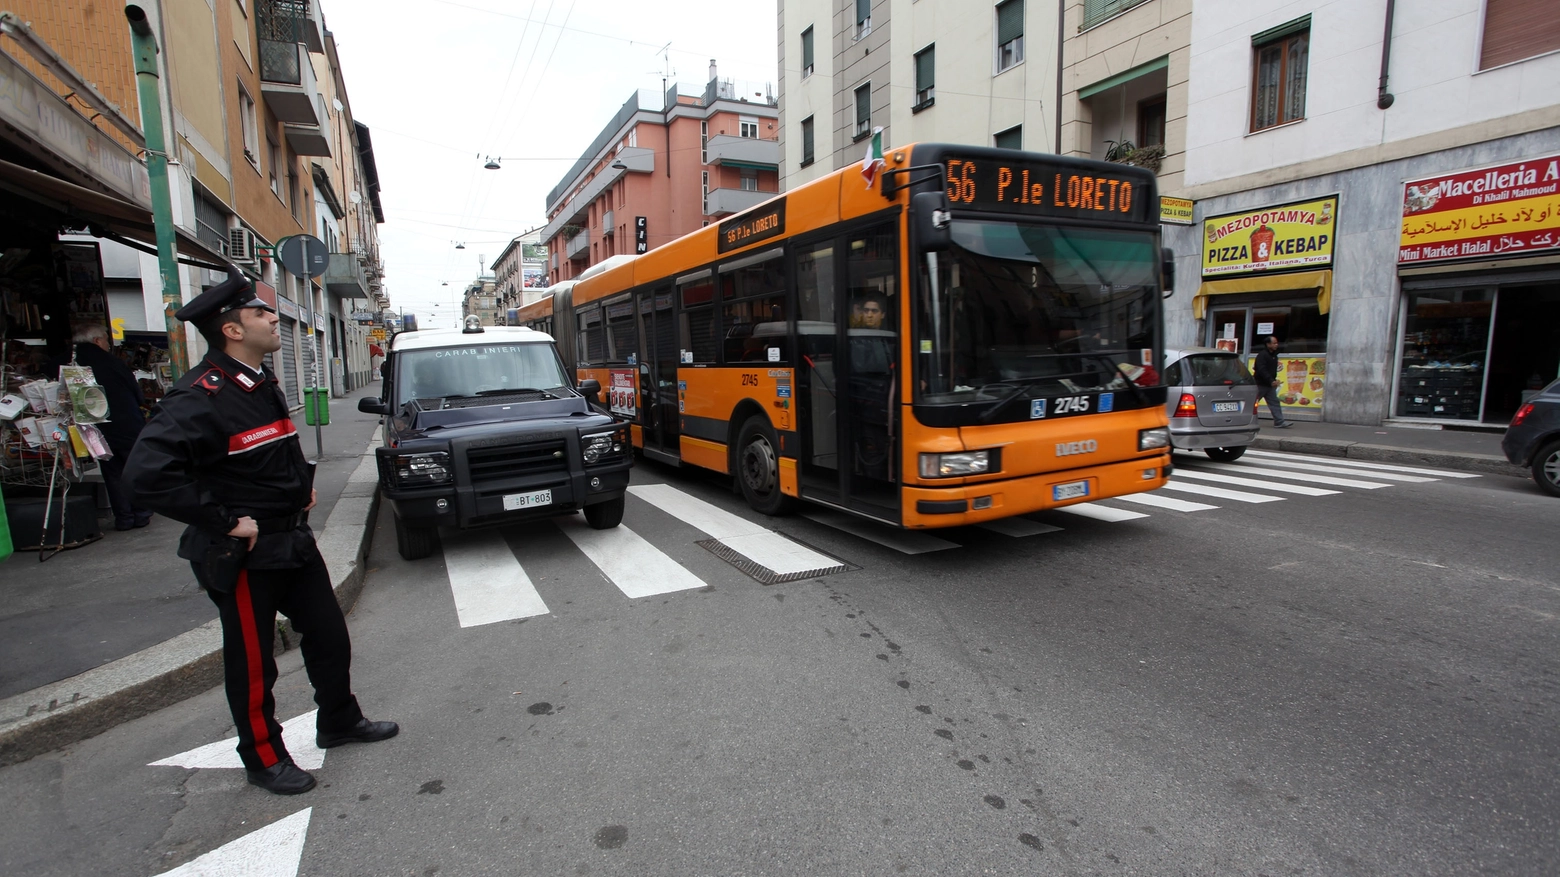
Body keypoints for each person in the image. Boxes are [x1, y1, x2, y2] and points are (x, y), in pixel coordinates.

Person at [125, 266, 397, 796]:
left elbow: (269, 447)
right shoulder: (197, 396)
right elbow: (145, 476)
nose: (274, 319)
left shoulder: (260, 381)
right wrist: (224, 520)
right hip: (244, 551)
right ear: (231, 329)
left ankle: (338, 722)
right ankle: (262, 756)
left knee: (329, 637)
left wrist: (302, 487)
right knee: (252, 665)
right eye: (261, 312)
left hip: (292, 538)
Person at [68, 324, 151, 530]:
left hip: (94, 428)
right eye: (106, 339)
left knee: (111, 471)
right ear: (97, 341)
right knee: (133, 468)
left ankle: (123, 517)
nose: (108, 343)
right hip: (126, 424)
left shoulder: (69, 363)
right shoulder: (112, 362)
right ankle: (140, 513)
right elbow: (137, 394)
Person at [1253, 335, 1292, 428]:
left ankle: (1279, 422)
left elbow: (1271, 371)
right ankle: (1246, 421)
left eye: (1276, 343)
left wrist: (1274, 381)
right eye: (1274, 343)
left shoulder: (1274, 355)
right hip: (1260, 384)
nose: (1276, 345)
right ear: (1268, 344)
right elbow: (1262, 370)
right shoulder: (1262, 355)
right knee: (1252, 403)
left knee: (1274, 402)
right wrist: (1271, 380)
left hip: (1270, 385)